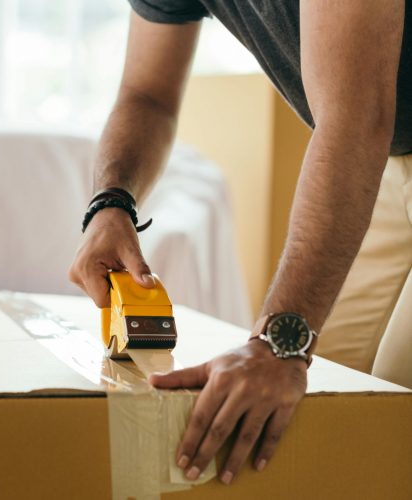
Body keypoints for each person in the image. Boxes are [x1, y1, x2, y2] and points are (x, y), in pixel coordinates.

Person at [69, 0, 411, 486]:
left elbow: (355, 120)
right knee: (328, 409)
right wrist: (111, 204)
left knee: (399, 412)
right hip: (384, 162)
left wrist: (278, 342)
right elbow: (147, 95)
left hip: (364, 135)